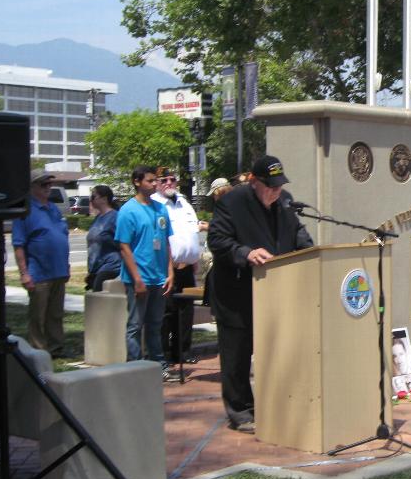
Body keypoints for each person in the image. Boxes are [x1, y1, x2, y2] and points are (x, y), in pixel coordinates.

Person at [208, 155, 313, 434]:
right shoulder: (232, 202)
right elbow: (217, 240)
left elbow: (298, 234)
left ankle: (271, 405)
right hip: (236, 294)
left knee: (275, 352)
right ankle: (240, 412)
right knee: (237, 357)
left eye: (279, 185)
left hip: (274, 294)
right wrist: (246, 253)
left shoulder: (285, 201)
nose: (276, 191)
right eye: (270, 186)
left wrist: (311, 251)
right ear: (254, 182)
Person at [116, 165, 174, 373]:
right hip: (138, 279)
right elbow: (124, 246)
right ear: (137, 182)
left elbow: (166, 242)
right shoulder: (127, 211)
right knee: (135, 325)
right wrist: (137, 279)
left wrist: (170, 272)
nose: (154, 184)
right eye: (150, 180)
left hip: (159, 278)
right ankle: (135, 367)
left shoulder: (161, 209)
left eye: (155, 180)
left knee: (155, 323)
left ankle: (158, 364)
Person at [12, 170, 70, 357]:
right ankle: (39, 351)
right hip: (39, 273)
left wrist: (66, 265)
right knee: (38, 315)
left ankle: (56, 348)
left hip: (58, 271)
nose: (48, 188)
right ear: (32, 187)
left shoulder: (53, 208)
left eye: (49, 184)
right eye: (43, 184)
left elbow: (62, 236)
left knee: (56, 314)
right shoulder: (25, 211)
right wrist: (24, 273)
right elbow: (18, 244)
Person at [152, 167, 204, 365]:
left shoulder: (184, 203)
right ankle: (164, 353)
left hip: (187, 267)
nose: (168, 183)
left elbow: (192, 232)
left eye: (172, 179)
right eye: (163, 179)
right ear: (156, 183)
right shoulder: (156, 204)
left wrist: (195, 260)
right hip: (167, 268)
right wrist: (168, 267)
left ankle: (183, 351)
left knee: (186, 311)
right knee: (167, 313)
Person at [86, 185, 121, 292]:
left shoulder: (115, 217)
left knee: (98, 301)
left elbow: (124, 242)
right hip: (96, 267)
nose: (90, 199)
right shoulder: (98, 218)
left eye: (93, 196)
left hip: (110, 266)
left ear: (104, 199)